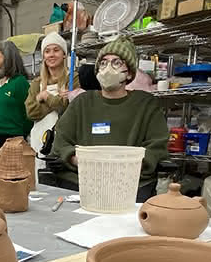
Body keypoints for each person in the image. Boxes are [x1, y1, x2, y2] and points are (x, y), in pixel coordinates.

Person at [51, 35, 168, 202]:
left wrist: (124, 167)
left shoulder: (145, 105)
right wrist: (83, 162)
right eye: (103, 63)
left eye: (117, 63)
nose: (108, 68)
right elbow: (61, 142)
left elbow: (157, 148)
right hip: (82, 182)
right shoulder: (83, 102)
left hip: (129, 185)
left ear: (129, 74)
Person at [25, 32, 80, 159]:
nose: (51, 55)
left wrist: (45, 98)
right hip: (39, 140)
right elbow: (30, 112)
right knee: (41, 174)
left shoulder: (72, 78)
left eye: (56, 50)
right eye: (47, 51)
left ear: (64, 54)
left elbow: (69, 109)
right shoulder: (36, 83)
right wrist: (58, 100)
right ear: (43, 56)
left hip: (64, 139)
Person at [0, 40, 32, 173]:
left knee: (11, 178)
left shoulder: (20, 82)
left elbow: (29, 114)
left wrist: (20, 136)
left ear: (7, 56)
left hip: (12, 139)